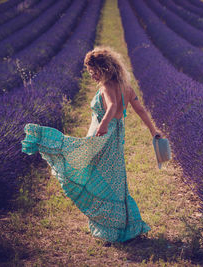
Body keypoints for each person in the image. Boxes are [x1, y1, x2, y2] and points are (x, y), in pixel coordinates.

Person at [21, 46, 162, 244]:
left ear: (103, 69)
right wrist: (153, 131)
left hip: (102, 138)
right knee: (114, 180)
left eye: (93, 71)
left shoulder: (106, 88)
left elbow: (112, 106)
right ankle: (122, 225)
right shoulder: (127, 88)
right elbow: (140, 110)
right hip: (115, 139)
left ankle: (40, 138)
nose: (92, 76)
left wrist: (103, 124)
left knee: (90, 173)